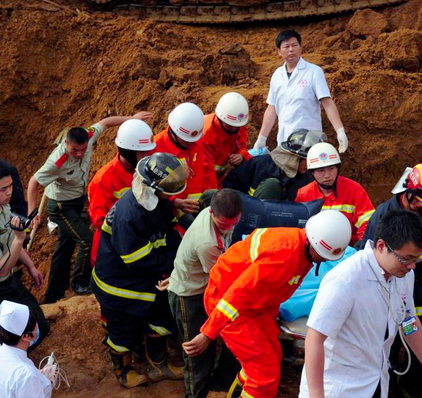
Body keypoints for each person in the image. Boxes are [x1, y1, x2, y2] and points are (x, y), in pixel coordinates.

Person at [182, 210, 352, 398]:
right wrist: (208, 333)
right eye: (324, 255)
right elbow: (237, 294)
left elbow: (270, 288)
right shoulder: (283, 256)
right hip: (231, 305)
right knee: (264, 376)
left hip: (255, 306)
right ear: (313, 245)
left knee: (272, 358)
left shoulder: (300, 245)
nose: (325, 259)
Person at [300, 210, 422, 398]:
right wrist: (316, 395)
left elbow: (408, 321)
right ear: (381, 246)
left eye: (416, 259)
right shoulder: (346, 280)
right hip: (339, 387)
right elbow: (315, 338)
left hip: (376, 381)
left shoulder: (403, 275)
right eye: (406, 259)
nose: (412, 266)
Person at [27, 111, 152, 303]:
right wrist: (33, 212)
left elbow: (106, 122)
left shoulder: (89, 135)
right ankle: (80, 283)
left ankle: (54, 294)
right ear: (66, 143)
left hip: (76, 201)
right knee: (87, 240)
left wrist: (131, 120)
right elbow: (34, 182)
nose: (80, 154)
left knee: (64, 247)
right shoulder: (57, 161)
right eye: (75, 150)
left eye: (83, 149)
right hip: (60, 206)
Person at [91, 152, 187, 388]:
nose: (175, 193)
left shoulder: (157, 201)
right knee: (124, 330)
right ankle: (122, 370)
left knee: (164, 315)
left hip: (145, 278)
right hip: (120, 287)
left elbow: (169, 232)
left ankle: (158, 364)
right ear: (153, 188)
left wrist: (184, 249)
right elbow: (136, 260)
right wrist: (175, 263)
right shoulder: (130, 214)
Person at [356, 160, 422, 395]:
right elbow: (371, 261)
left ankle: (414, 383)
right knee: (389, 339)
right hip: (390, 287)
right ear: (409, 192)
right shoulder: (386, 216)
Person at [162, 189, 243, 398]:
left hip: (199, 283)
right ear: (212, 214)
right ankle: (195, 395)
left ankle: (217, 385)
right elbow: (221, 279)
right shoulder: (208, 242)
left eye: (234, 223)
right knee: (198, 352)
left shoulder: (219, 215)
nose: (229, 228)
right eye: (224, 225)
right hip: (188, 296)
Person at [253, 30, 348, 153]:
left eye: (294, 45)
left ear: (300, 48)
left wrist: (340, 131)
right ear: (279, 52)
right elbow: (272, 109)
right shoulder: (277, 75)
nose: (291, 50)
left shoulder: (314, 72)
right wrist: (262, 138)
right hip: (284, 142)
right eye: (286, 47)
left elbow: (327, 102)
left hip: (309, 141)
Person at [88, 119, 156, 265]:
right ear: (129, 152)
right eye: (142, 152)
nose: (146, 156)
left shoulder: (143, 169)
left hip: (137, 239)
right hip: (112, 249)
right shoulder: (103, 180)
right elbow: (100, 220)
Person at [0, 164, 48, 349]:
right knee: (10, 338)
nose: (9, 192)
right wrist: (19, 239)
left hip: (10, 282)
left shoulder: (4, 208)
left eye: (11, 186)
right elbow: (2, 269)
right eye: (3, 189)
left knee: (39, 327)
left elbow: (11, 238)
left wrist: (31, 267)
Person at [295, 142, 374, 245]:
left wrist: (360, 246)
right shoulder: (304, 194)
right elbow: (299, 229)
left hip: (349, 249)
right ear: (312, 173)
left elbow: (369, 223)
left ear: (338, 168)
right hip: (315, 251)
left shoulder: (354, 190)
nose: (327, 175)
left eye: (331, 168)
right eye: (321, 170)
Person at [224, 129, 325, 201]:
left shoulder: (309, 180)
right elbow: (231, 184)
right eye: (308, 160)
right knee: (271, 184)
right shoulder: (260, 164)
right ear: (295, 158)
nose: (311, 164)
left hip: (283, 225)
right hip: (251, 216)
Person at [155, 102, 216, 215]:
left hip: (193, 207)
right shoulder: (156, 148)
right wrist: (174, 203)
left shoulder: (196, 142)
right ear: (174, 132)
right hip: (168, 210)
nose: (191, 144)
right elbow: (150, 189)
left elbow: (207, 171)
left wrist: (212, 198)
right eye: (187, 141)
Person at [0, 300, 52, 398]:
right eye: (35, 325)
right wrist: (37, 380)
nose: (37, 327)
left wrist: (39, 377)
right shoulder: (26, 374)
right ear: (26, 336)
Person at [202, 92, 252, 188]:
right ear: (220, 119)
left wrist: (241, 156)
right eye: (230, 126)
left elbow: (242, 146)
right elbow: (207, 171)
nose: (234, 129)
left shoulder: (237, 123)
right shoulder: (207, 135)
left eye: (237, 126)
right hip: (205, 180)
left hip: (222, 177)